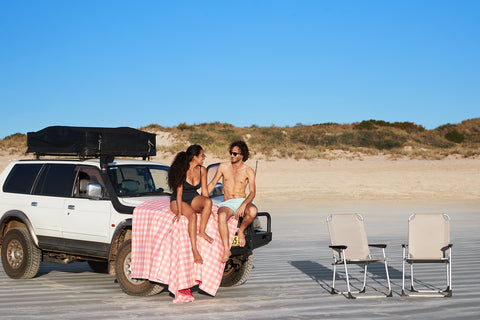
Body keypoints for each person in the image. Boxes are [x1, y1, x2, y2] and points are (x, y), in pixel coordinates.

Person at [207, 140, 258, 262]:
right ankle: (226, 249)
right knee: (222, 215)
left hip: (242, 200)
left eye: (235, 154)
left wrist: (244, 204)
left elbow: (252, 192)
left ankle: (240, 231)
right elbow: (213, 183)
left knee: (253, 210)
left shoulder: (248, 170)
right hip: (228, 202)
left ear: (242, 155)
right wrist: (203, 196)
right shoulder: (224, 167)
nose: (232, 156)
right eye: (231, 152)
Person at [168, 145, 213, 263]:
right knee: (192, 216)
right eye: (202, 155)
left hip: (193, 197)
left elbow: (204, 191)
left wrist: (209, 208)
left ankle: (202, 231)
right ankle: (194, 250)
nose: (204, 158)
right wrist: (178, 213)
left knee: (208, 202)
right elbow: (179, 193)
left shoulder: (202, 170)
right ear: (194, 157)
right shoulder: (182, 169)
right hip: (178, 199)